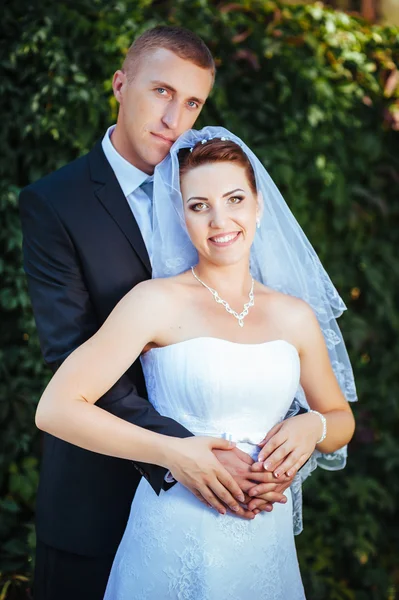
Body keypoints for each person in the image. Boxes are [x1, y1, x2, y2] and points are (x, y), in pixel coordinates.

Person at [19, 27, 296, 600]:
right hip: (97, 496)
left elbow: (251, 326)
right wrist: (194, 453)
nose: (175, 118)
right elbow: (71, 355)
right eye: (162, 91)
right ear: (121, 85)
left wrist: (269, 446)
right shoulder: (55, 204)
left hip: (225, 510)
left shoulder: (210, 195)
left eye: (192, 102)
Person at [35, 129, 356, 599]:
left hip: (265, 544)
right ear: (180, 217)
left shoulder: (295, 315)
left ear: (259, 205)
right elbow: (57, 409)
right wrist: (172, 453)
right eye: (198, 205)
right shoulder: (155, 302)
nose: (219, 219)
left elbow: (340, 417)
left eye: (234, 199)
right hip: (173, 534)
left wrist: (313, 428)